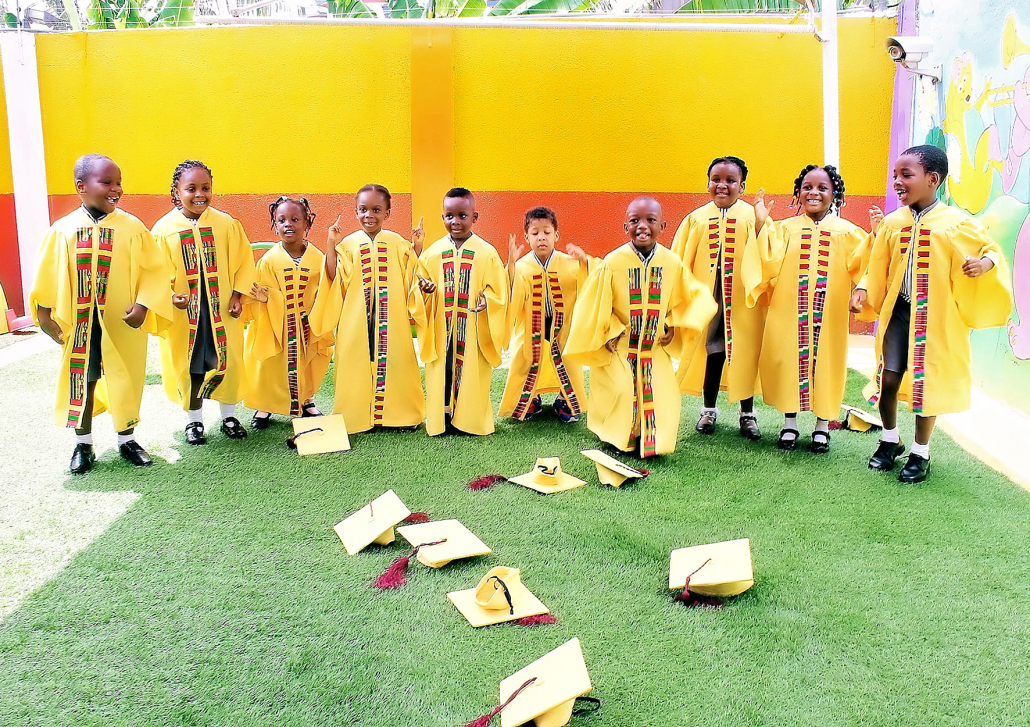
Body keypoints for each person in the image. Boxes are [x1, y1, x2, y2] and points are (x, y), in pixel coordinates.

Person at [850, 145, 1013, 483]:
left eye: (906, 175)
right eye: (895, 175)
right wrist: (863, 288)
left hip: (936, 319)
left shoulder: (955, 223)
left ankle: (920, 452)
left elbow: (991, 249)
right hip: (899, 312)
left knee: (927, 384)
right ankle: (890, 439)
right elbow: (875, 265)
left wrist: (983, 264)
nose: (897, 181)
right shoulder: (893, 223)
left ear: (932, 179)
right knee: (888, 378)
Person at [31, 154, 172, 473]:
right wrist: (43, 313)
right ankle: (84, 444)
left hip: (120, 322)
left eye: (119, 183)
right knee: (83, 379)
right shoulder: (64, 230)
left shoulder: (132, 227)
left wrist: (143, 305)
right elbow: (47, 273)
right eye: (107, 182)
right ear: (81, 187)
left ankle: (127, 440)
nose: (116, 189)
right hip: (81, 323)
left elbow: (154, 270)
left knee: (127, 378)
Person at [565, 196, 717, 458]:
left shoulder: (671, 262)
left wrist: (671, 322)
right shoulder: (614, 262)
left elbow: (690, 296)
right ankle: (619, 437)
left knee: (663, 395)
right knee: (622, 390)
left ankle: (651, 441)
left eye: (651, 220)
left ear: (663, 226)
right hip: (621, 347)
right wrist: (610, 330)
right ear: (626, 226)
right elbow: (596, 303)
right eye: (635, 220)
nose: (642, 226)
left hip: (653, 347)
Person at [743, 165, 877, 453]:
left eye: (822, 188)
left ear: (835, 194)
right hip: (789, 312)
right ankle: (789, 424)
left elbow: (866, 263)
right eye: (807, 187)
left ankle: (821, 427)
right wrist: (761, 224)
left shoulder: (847, 231)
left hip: (829, 315)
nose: (814, 192)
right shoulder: (785, 229)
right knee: (788, 361)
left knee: (827, 364)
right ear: (798, 192)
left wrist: (875, 236)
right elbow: (766, 259)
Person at [152, 160, 257, 445]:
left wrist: (237, 295)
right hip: (187, 317)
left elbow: (243, 263)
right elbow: (154, 273)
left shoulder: (225, 224)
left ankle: (229, 417)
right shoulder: (163, 230)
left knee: (227, 361)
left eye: (206, 188)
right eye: (191, 188)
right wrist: (170, 296)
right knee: (192, 366)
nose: (200, 194)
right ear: (176, 192)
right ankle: (194, 421)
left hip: (221, 311)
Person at [308, 184, 426, 432]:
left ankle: (401, 416)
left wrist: (417, 247)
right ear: (356, 212)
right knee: (354, 364)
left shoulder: (396, 242)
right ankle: (356, 417)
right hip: (355, 319)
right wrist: (331, 243)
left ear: (387, 213)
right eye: (363, 210)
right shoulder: (348, 244)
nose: (369, 215)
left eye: (376, 210)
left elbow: (410, 273)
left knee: (397, 363)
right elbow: (333, 277)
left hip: (391, 319)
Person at [671, 156, 773, 440]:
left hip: (743, 298)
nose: (722, 185)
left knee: (744, 352)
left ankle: (747, 413)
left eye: (730, 180)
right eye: (716, 179)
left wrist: (761, 224)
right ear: (708, 183)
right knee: (712, 350)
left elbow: (770, 254)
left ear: (742, 186)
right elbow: (679, 259)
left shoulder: (753, 216)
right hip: (709, 297)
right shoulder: (696, 219)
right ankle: (708, 410)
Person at [417, 187, 508, 436]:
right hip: (441, 328)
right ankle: (443, 418)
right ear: (442, 217)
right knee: (443, 372)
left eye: (462, 215)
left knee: (470, 373)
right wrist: (425, 290)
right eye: (449, 216)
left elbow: (498, 292)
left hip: (472, 330)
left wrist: (487, 301)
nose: (455, 221)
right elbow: (420, 284)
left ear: (474, 217)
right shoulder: (433, 253)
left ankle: (469, 420)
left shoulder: (487, 253)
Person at [243, 197, 333, 426]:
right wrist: (267, 298)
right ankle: (265, 406)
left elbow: (324, 292)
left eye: (294, 219)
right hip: (275, 325)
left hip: (306, 325)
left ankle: (307, 400)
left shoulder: (318, 259)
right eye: (281, 220)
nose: (288, 225)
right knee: (270, 366)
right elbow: (259, 291)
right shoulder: (269, 261)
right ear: (275, 225)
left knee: (308, 363)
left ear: (307, 224)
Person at [498, 206, 593, 423]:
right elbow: (512, 294)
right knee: (524, 359)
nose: (541, 237)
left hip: (563, 326)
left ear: (556, 235)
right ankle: (531, 399)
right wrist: (511, 266)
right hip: (531, 327)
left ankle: (565, 400)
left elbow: (590, 285)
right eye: (535, 233)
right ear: (527, 237)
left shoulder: (570, 263)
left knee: (568, 360)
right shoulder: (521, 267)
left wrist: (584, 262)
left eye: (547, 232)